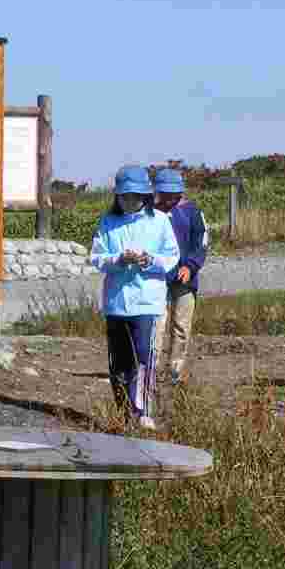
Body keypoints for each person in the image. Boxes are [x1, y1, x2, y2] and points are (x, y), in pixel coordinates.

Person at [89, 165, 180, 431]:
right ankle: (124, 414)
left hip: (147, 301)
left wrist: (150, 260)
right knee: (119, 363)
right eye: (125, 196)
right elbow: (96, 257)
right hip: (117, 303)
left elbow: (172, 258)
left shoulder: (160, 221)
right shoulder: (108, 222)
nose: (131, 201)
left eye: (136, 196)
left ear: (146, 196)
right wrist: (118, 259)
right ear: (117, 197)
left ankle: (145, 412)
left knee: (144, 359)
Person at [151, 168, 208, 387]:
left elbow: (201, 242)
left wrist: (191, 266)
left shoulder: (192, 212)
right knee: (157, 325)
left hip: (185, 279)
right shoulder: (151, 213)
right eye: (163, 194)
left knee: (181, 326)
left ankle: (175, 369)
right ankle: (152, 369)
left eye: (172, 194)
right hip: (158, 279)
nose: (168, 199)